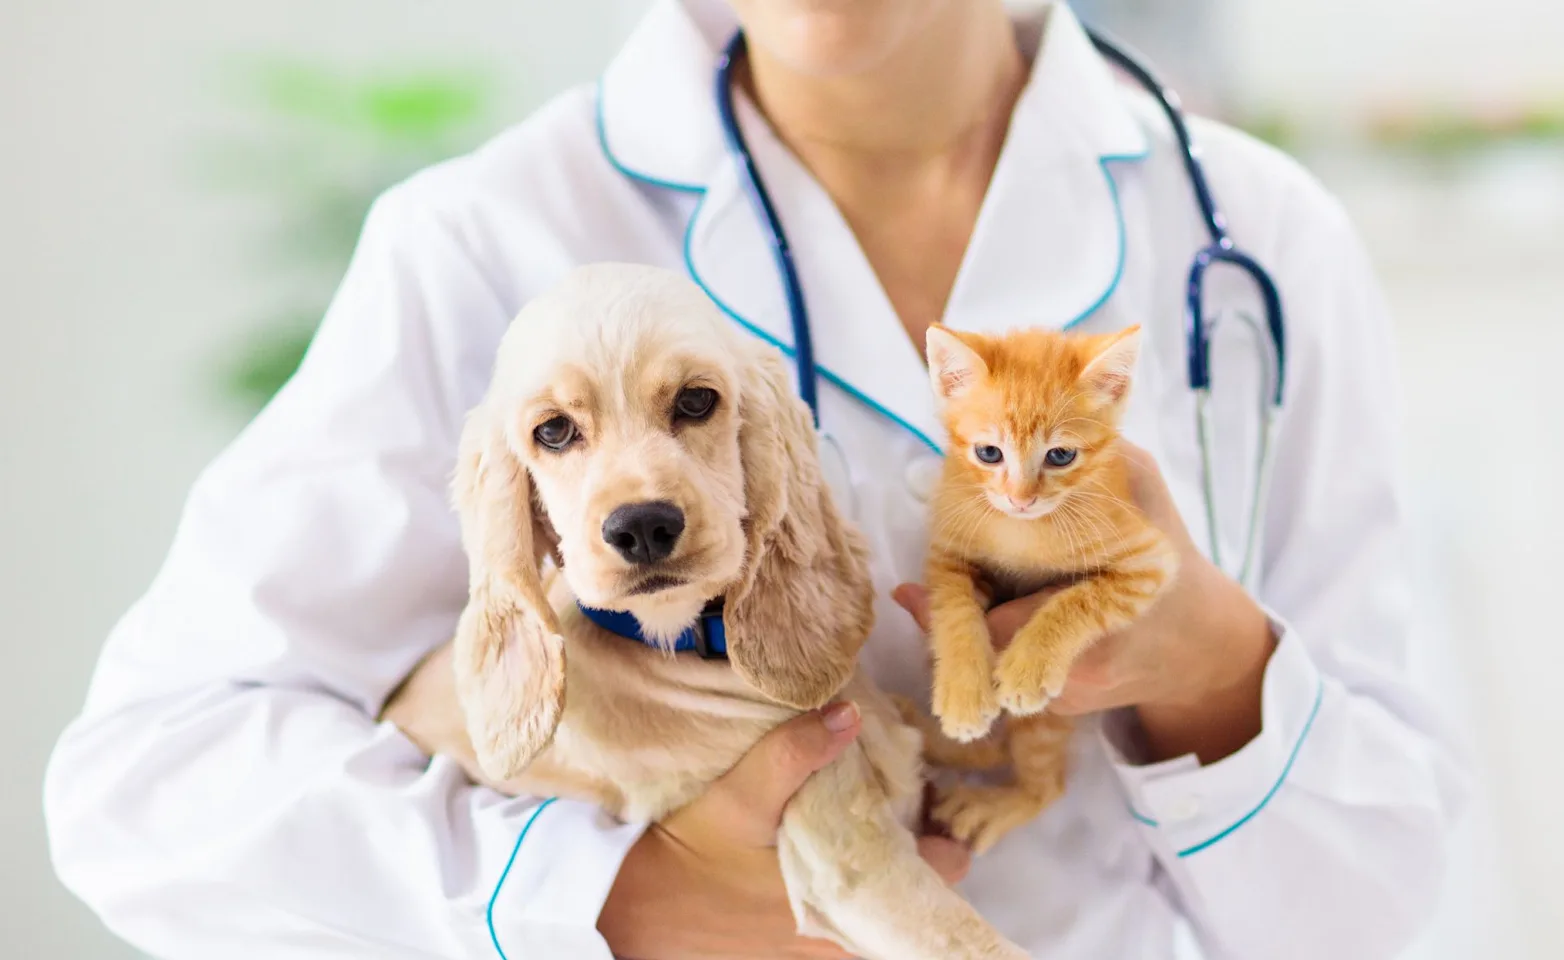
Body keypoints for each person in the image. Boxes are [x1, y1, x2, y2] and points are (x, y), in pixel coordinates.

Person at [44, 1, 1466, 958]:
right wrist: (622, 901)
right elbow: (146, 793)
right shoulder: (480, 243)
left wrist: (1211, 664)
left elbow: (1371, 908)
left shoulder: (1257, 238)